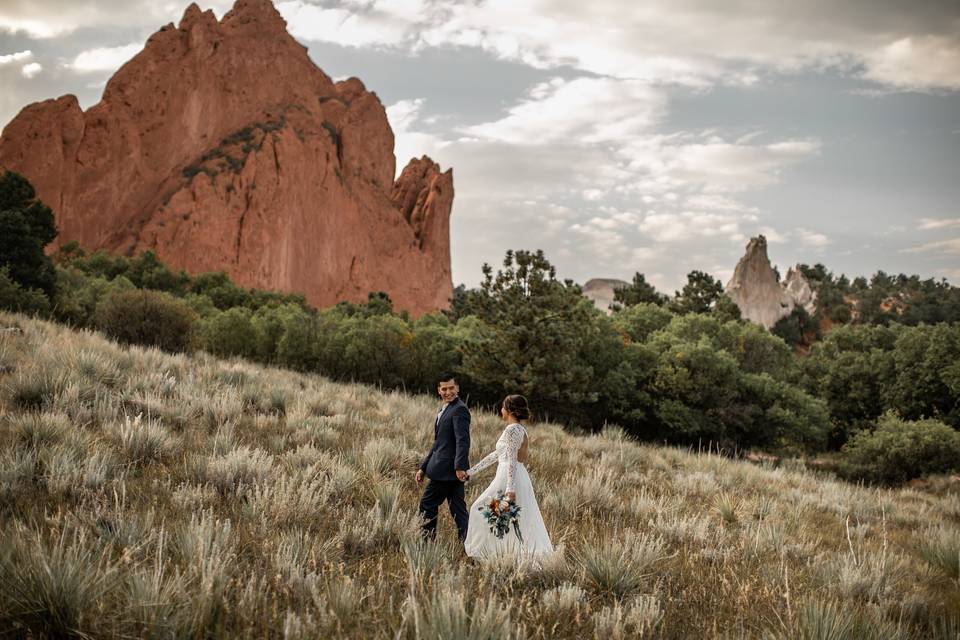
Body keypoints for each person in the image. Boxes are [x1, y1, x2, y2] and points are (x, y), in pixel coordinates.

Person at [463, 394, 553, 559]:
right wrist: (471, 472)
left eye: (503, 407)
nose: (501, 410)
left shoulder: (513, 430)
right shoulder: (519, 429)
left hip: (508, 478)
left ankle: (485, 553)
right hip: (513, 475)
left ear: (509, 410)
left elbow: (511, 459)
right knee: (508, 519)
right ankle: (502, 553)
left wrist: (510, 489)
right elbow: (496, 455)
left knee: (479, 509)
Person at [416, 375, 471, 542]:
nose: (448, 392)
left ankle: (426, 544)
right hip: (447, 469)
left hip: (448, 470)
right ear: (439, 391)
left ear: (458, 388)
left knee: (427, 505)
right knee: (458, 510)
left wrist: (459, 467)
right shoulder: (445, 409)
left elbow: (463, 440)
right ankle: (469, 544)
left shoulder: (460, 409)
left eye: (451, 388)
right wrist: (423, 467)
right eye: (444, 389)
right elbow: (439, 443)